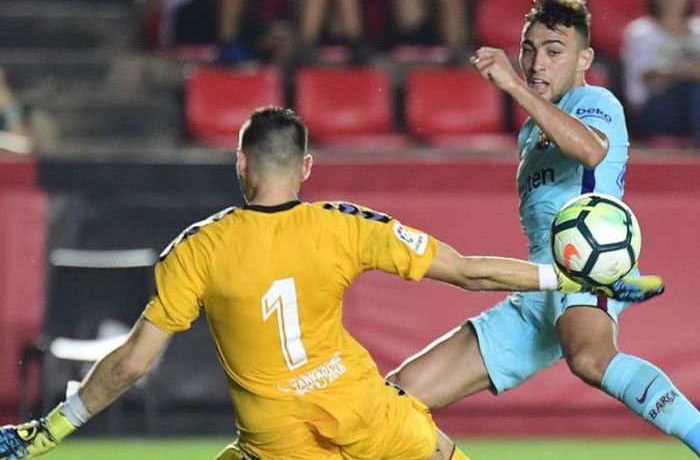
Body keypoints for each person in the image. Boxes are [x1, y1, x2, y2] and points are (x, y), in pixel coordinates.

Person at [0, 107, 662, 460]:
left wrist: (53, 427)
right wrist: (567, 273)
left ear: (241, 162)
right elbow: (468, 270)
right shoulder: (347, 227)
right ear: (307, 166)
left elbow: (129, 365)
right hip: (370, 416)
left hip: (277, 444)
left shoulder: (196, 250)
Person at [386, 0, 700, 455]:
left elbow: (592, 151)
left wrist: (513, 87)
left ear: (583, 59)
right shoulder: (531, 130)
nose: (537, 63)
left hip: (584, 268)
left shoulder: (593, 99)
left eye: (554, 51)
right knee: (397, 396)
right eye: (528, 50)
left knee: (591, 358)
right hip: (538, 285)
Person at [621, 0, 700, 145]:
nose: (670, 1)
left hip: (691, 109)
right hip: (653, 108)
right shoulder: (641, 32)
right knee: (695, 87)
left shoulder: (698, 31)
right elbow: (647, 76)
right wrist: (688, 71)